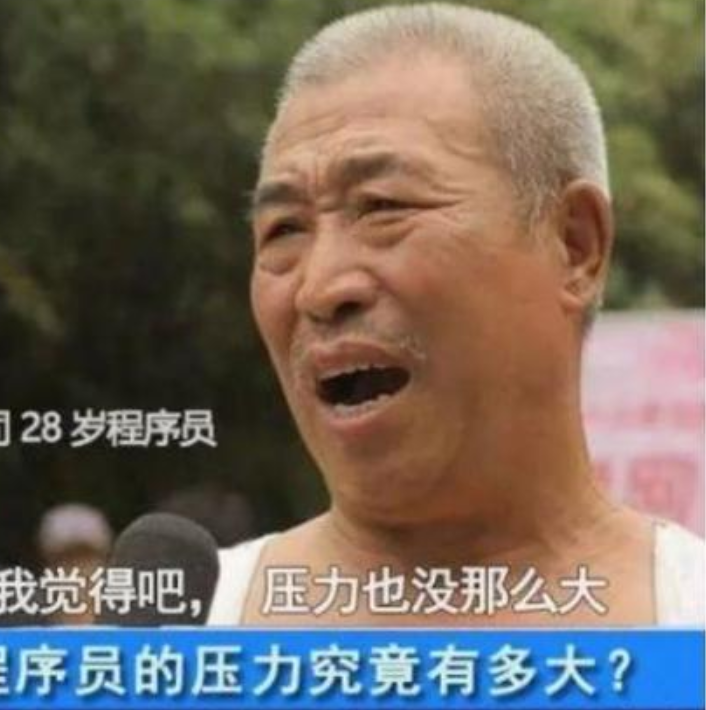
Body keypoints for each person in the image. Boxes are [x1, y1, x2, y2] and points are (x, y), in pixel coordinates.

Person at [210, 3, 704, 626]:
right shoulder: (171, 639)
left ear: (575, 245)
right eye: (284, 229)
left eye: (384, 206)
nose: (320, 288)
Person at [36, 503, 113, 625]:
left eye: (87, 558)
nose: (79, 570)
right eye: (67, 560)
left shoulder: (129, 628)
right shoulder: (27, 630)